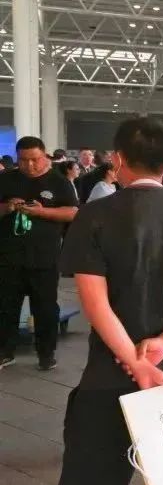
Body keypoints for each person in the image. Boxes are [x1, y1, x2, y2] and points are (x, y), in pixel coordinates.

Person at [56, 118, 163, 485]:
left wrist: (135, 362)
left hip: (108, 378)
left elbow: (95, 303)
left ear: (117, 159)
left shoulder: (94, 216)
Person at [0, 136, 79, 370]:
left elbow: (72, 212)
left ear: (44, 156)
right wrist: (7, 207)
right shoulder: (6, 179)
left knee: (45, 308)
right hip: (8, 257)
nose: (29, 165)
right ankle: (5, 352)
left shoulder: (59, 182)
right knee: (6, 306)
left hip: (44, 257)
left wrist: (42, 212)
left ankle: (46, 354)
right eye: (23, 160)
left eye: (34, 159)